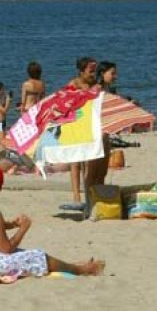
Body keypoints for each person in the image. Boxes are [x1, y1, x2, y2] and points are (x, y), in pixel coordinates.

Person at [0, 165, 105, 278]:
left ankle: (73, 265)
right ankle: (81, 270)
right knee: (38, 256)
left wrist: (10, 225)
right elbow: (6, 249)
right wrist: (23, 228)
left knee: (23, 254)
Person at [64, 57, 97, 206]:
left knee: (88, 162)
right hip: (75, 123)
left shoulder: (95, 84)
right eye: (90, 71)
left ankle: (88, 193)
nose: (93, 74)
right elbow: (64, 102)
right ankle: (76, 197)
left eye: (94, 71)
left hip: (90, 124)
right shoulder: (74, 84)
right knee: (75, 162)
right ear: (82, 71)